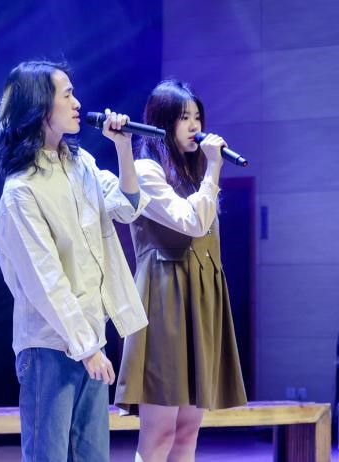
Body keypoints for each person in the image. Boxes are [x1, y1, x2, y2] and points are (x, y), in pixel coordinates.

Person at [0, 60, 148, 462]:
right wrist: (87, 348)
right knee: (49, 455)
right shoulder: (22, 191)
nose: (78, 103)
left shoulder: (81, 165)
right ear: (40, 106)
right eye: (67, 95)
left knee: (93, 455)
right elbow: (46, 281)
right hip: (49, 346)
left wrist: (123, 146)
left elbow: (127, 205)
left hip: (90, 337)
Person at [115, 79, 247, 462]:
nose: (194, 126)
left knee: (188, 430)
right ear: (162, 122)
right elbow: (192, 223)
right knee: (159, 433)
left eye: (197, 117)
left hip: (201, 298)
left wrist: (208, 169)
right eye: (184, 117)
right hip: (165, 298)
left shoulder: (194, 173)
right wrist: (214, 168)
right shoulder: (146, 170)